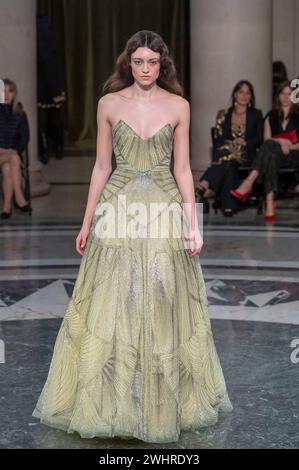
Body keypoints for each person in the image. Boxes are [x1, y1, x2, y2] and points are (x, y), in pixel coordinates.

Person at [32, 30, 232, 444]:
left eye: (152, 63)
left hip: (161, 208)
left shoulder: (178, 106)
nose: (145, 69)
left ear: (163, 65)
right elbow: (102, 167)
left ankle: (159, 403)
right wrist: (87, 222)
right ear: (129, 62)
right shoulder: (109, 103)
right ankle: (114, 403)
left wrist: (192, 223)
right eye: (138, 62)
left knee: (161, 298)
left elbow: (181, 169)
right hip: (117, 207)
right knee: (114, 301)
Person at [230, 81, 299, 221]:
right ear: (278, 96)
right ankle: (269, 201)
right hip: (275, 155)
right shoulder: (270, 116)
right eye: (282, 93)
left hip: (295, 155)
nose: (286, 97)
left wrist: (290, 146)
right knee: (271, 153)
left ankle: (250, 182)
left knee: (269, 150)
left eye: (289, 94)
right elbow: (267, 140)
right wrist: (281, 141)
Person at [195, 80, 263, 216]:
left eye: (247, 92)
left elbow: (259, 139)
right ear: (235, 95)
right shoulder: (223, 114)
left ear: (251, 96)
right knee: (229, 162)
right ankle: (229, 206)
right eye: (240, 92)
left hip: (246, 155)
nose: (244, 95)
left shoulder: (256, 114)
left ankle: (202, 186)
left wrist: (244, 143)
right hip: (227, 153)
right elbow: (218, 140)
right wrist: (233, 142)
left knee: (226, 158)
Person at [0, 78, 31, 219]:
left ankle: (6, 207)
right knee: (14, 158)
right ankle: (19, 197)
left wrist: (14, 150)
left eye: (10, 91)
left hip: (10, 156)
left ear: (14, 94)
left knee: (8, 167)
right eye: (3, 90)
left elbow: (25, 138)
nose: (6, 94)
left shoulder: (19, 113)